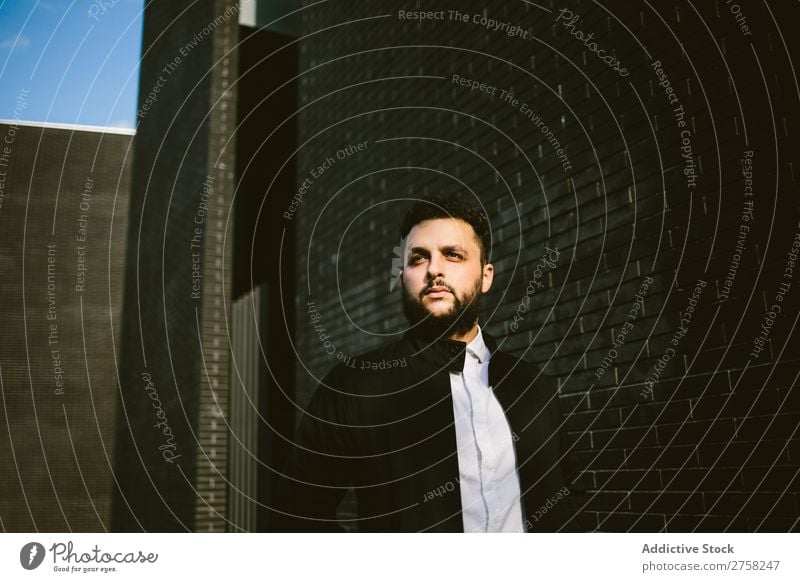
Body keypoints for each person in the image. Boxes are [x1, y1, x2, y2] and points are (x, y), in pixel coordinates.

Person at [272, 193, 583, 532]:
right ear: (402, 276)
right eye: (418, 258)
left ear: (486, 276)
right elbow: (296, 514)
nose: (434, 269)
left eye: (453, 255)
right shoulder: (355, 387)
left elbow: (569, 498)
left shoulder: (532, 386)